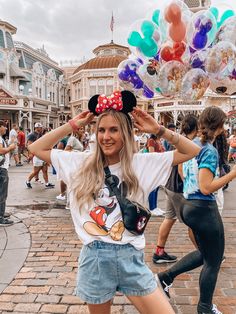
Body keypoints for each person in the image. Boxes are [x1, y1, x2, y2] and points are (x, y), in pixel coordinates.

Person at [28, 90, 200, 314]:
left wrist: (158, 130)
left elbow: (192, 150)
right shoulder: (80, 163)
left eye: (113, 130)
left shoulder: (142, 164)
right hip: (95, 258)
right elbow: (36, 148)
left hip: (131, 257)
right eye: (101, 130)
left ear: (126, 134)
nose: (105, 137)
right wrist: (72, 124)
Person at [157, 106, 236, 314]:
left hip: (188, 204)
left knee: (205, 254)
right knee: (214, 260)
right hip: (204, 208)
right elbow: (207, 187)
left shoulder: (191, 144)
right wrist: (233, 174)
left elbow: (182, 169)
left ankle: (165, 277)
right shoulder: (208, 150)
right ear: (219, 127)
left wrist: (190, 189)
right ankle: (205, 308)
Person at [153, 114, 199, 264]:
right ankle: (205, 253)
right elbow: (181, 169)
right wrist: (189, 187)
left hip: (169, 185)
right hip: (179, 188)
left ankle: (159, 252)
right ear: (196, 128)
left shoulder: (178, 139)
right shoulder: (186, 142)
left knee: (169, 218)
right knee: (193, 222)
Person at [26, 123, 54, 189]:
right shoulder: (32, 135)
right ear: (36, 128)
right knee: (36, 171)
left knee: (45, 170)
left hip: (43, 155)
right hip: (37, 155)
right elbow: (29, 145)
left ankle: (47, 183)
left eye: (41, 128)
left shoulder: (41, 135)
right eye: (40, 127)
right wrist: (31, 154)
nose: (41, 129)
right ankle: (28, 181)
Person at [0, 120, 16, 226]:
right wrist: (10, 147)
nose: (6, 128)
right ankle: (0, 218)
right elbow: (1, 151)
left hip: (2, 168)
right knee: (2, 193)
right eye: (4, 126)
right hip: (1, 169)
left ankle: (1, 213)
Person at [147, 134, 165, 217]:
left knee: (157, 187)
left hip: (159, 166)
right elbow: (152, 154)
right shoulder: (151, 141)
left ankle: (155, 207)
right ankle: (152, 208)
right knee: (153, 188)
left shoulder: (158, 140)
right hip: (153, 167)